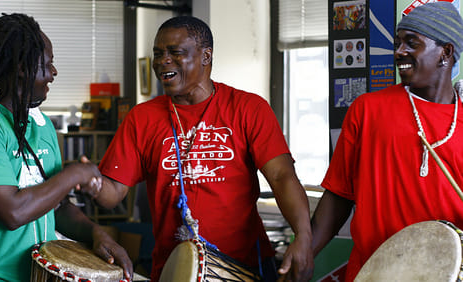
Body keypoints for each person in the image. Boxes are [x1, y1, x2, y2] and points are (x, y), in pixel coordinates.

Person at [97, 16, 313, 281]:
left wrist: (303, 236)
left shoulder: (249, 108)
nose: (163, 61)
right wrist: (82, 179)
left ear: (206, 56)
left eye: (175, 53)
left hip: (245, 267)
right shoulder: (142, 118)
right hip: (174, 270)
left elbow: (282, 176)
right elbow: (113, 192)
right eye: (158, 54)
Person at [0, 13, 132, 281]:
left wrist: (95, 232)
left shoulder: (40, 125)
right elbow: (13, 211)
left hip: (38, 274)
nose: (53, 73)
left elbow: (56, 205)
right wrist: (75, 173)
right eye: (48, 64)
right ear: (22, 67)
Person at [311, 2, 463, 281]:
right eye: (397, 43)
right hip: (372, 273)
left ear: (446, 53)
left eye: (411, 43)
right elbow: (339, 195)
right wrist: (304, 253)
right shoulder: (367, 109)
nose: (399, 52)